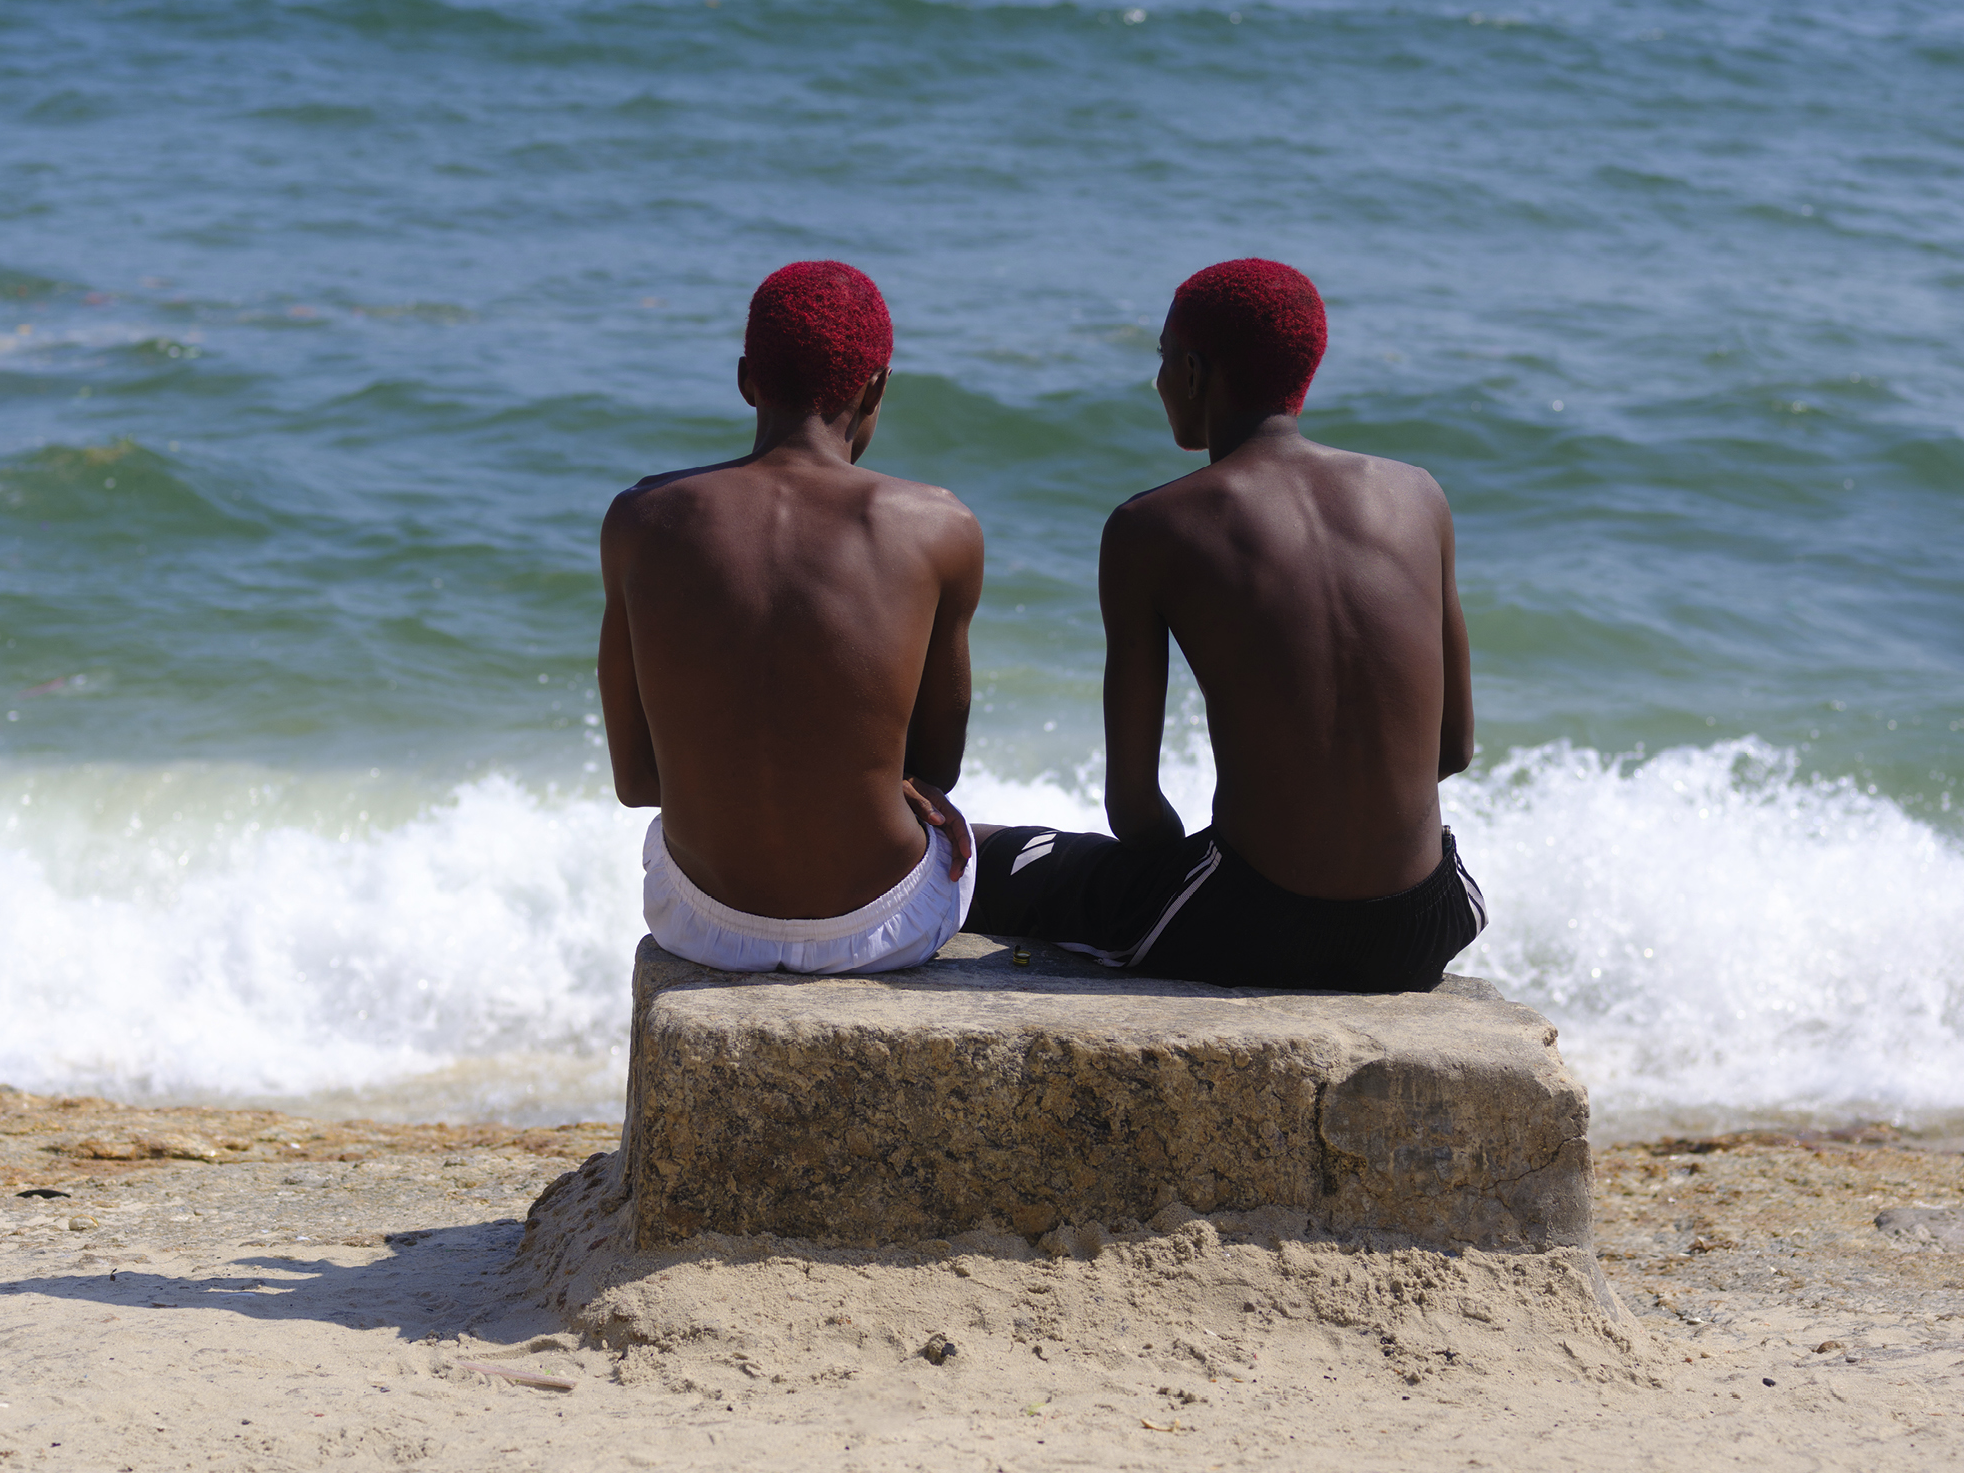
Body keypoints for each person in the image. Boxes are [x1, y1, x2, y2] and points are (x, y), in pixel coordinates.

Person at [966, 258, 1485, 994]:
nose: (1155, 383)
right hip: (1423, 922)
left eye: (1160, 360)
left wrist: (1182, 868)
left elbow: (1134, 809)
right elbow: (1453, 747)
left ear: (1191, 369)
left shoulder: (1151, 525)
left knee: (987, 857)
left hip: (1251, 924)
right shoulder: (1417, 495)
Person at [600, 260, 984, 975]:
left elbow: (636, 784)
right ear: (877, 386)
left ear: (746, 379)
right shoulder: (939, 524)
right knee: (971, 842)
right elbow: (936, 773)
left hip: (699, 919)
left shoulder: (641, 519)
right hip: (884, 923)